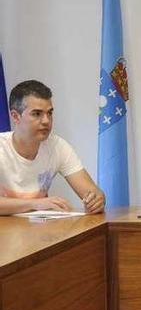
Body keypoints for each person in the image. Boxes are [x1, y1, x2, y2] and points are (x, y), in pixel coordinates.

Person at [0, 80, 105, 215]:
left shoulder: (57, 146)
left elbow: (92, 193)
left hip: (39, 230)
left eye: (49, 113)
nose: (46, 121)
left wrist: (97, 200)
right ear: (15, 116)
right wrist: (36, 204)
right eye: (37, 114)